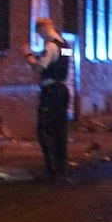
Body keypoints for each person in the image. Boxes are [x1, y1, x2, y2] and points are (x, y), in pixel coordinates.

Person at [25, 17, 71, 180]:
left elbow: (40, 67)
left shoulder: (50, 46)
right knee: (61, 129)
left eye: (38, 32)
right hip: (63, 89)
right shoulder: (65, 44)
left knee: (44, 130)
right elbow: (58, 62)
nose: (39, 36)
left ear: (44, 28)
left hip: (51, 91)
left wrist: (28, 56)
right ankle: (62, 167)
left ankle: (52, 169)